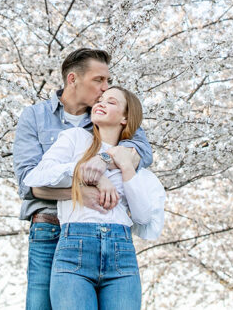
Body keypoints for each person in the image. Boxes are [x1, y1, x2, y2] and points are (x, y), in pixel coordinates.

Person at [13, 49, 153, 310]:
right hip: (48, 227)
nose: (105, 88)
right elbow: (28, 184)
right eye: (99, 80)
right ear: (73, 79)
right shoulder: (35, 116)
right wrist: (81, 188)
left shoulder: (108, 114)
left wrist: (104, 161)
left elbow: (142, 152)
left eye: (108, 81)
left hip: (103, 230)